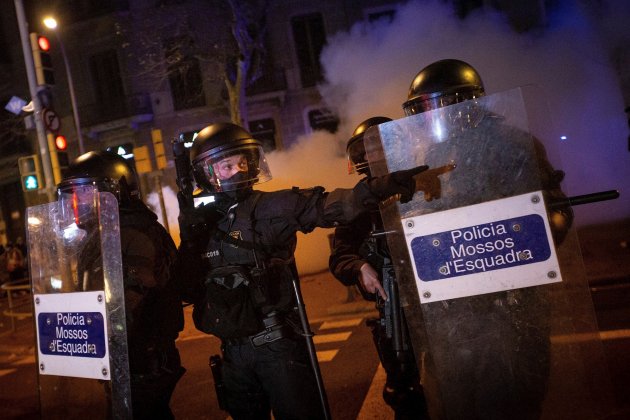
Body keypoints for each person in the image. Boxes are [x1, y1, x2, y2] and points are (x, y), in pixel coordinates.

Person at [175, 122, 430, 419]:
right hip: (233, 355)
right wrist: (189, 245)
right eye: (227, 165)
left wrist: (376, 188)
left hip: (277, 348)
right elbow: (185, 289)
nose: (239, 171)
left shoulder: (272, 207)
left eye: (243, 161)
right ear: (205, 173)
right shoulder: (202, 223)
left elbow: (330, 205)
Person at [398, 59, 573, 419]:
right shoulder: (432, 156)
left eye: (435, 107)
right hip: (456, 316)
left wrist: (513, 249)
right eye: (422, 110)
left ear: (463, 105)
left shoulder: (514, 144)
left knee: (512, 402)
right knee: (461, 404)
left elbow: (557, 212)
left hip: (512, 307)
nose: (429, 118)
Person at [57, 151, 185, 419]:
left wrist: (88, 332)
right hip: (122, 360)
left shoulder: (134, 234)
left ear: (114, 192)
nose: (77, 202)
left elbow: (127, 304)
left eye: (85, 193)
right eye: (73, 194)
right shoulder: (104, 234)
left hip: (142, 361)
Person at [329, 117, 430, 420]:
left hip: (440, 301)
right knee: (404, 392)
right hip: (394, 306)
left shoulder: (424, 182)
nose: (377, 156)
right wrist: (359, 267)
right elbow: (339, 256)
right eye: (369, 151)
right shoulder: (357, 204)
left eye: (384, 147)